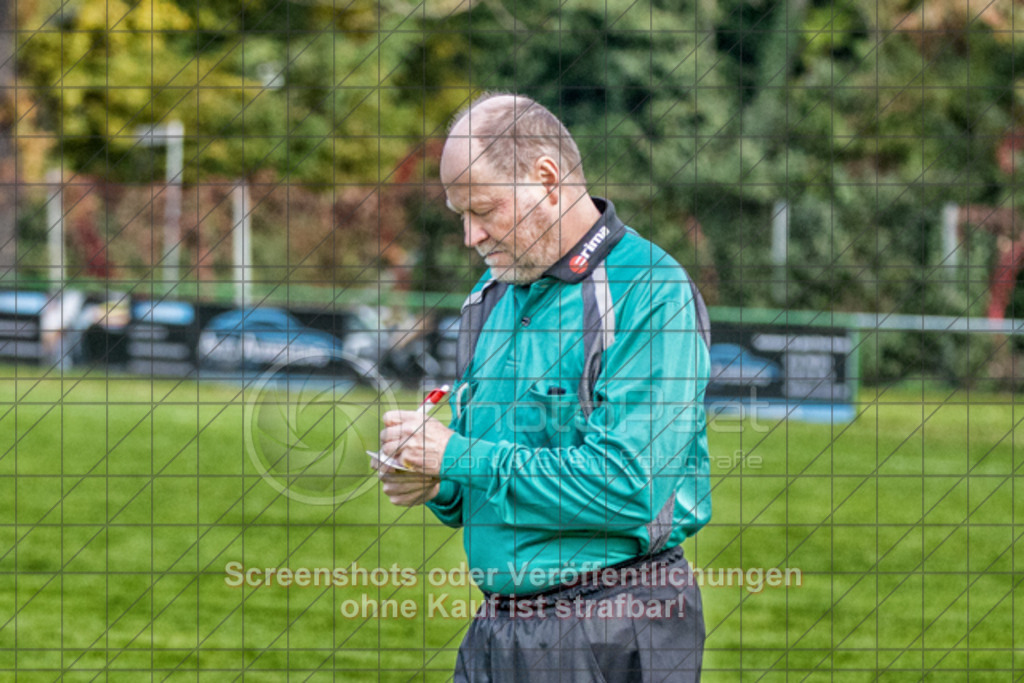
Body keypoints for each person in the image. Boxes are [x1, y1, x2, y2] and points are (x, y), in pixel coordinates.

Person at [378, 93, 712, 682]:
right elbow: (482, 484)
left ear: (548, 179)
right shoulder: (489, 296)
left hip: (614, 622)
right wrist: (435, 480)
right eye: (460, 215)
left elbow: (628, 487)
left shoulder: (648, 289)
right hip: (498, 629)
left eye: (482, 209)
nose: (470, 235)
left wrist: (459, 455)